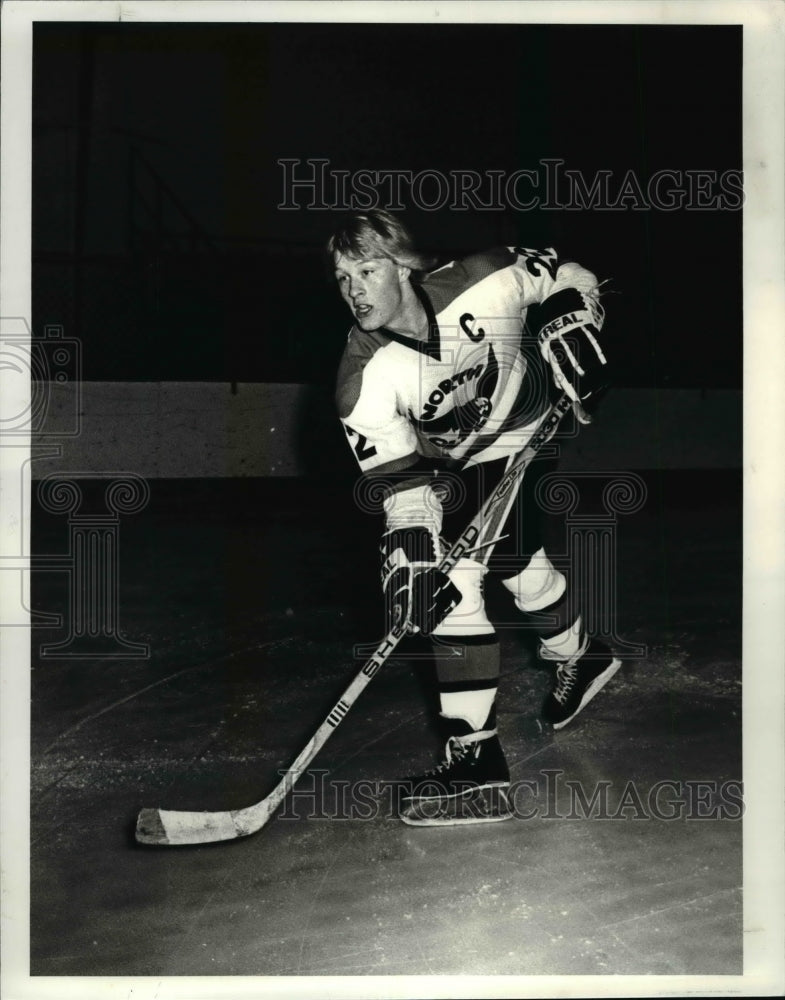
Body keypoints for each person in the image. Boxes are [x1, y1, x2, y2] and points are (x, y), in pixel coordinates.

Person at [328, 209, 620, 826]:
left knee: (462, 584)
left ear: (404, 267)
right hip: (453, 471)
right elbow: (405, 487)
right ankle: (581, 654)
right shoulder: (362, 381)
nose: (354, 290)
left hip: (528, 429)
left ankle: (476, 768)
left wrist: (575, 314)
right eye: (342, 277)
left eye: (367, 270)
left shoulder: (486, 278)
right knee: (489, 567)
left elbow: (571, 272)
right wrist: (411, 541)